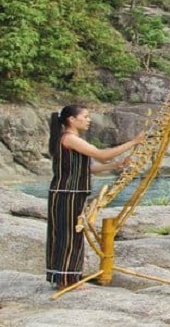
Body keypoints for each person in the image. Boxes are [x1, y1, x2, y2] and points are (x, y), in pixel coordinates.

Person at [46, 105, 146, 290]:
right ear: (71, 120)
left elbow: (90, 167)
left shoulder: (71, 139)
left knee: (70, 234)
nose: (88, 120)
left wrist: (116, 165)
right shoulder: (70, 139)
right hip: (68, 193)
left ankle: (67, 277)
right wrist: (133, 142)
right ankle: (66, 280)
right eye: (85, 116)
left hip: (71, 193)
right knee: (68, 235)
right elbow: (101, 155)